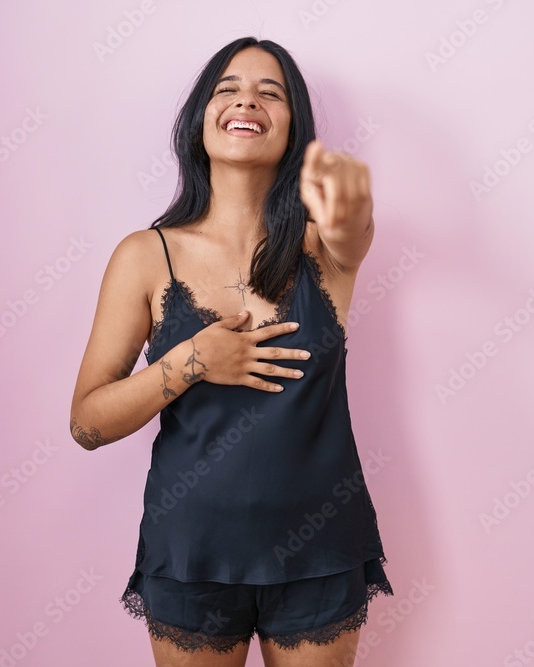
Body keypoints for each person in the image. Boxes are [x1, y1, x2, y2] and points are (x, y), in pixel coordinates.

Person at [69, 36, 392, 667]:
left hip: (320, 550)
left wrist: (352, 201)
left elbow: (354, 227)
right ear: (200, 117)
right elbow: (86, 423)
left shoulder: (324, 247)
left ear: (293, 128)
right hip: (192, 553)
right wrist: (192, 361)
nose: (248, 100)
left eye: (271, 93)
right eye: (229, 88)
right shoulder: (144, 255)